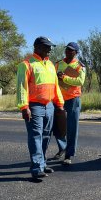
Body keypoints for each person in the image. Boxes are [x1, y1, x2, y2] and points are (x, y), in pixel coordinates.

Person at [16, 36, 64, 181]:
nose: (49, 49)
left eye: (50, 47)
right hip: (34, 106)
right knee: (36, 135)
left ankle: (42, 164)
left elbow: (55, 86)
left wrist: (60, 104)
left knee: (46, 136)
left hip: (49, 105)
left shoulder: (50, 65)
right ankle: (36, 167)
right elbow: (21, 87)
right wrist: (24, 107)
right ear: (37, 47)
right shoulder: (26, 64)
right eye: (46, 46)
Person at [53, 42, 86, 165]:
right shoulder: (58, 64)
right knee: (58, 127)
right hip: (59, 98)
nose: (68, 51)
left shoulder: (79, 65)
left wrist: (64, 78)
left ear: (76, 52)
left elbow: (80, 81)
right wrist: (57, 77)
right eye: (67, 49)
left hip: (73, 99)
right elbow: (53, 78)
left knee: (72, 128)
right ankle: (62, 147)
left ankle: (69, 154)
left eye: (71, 50)